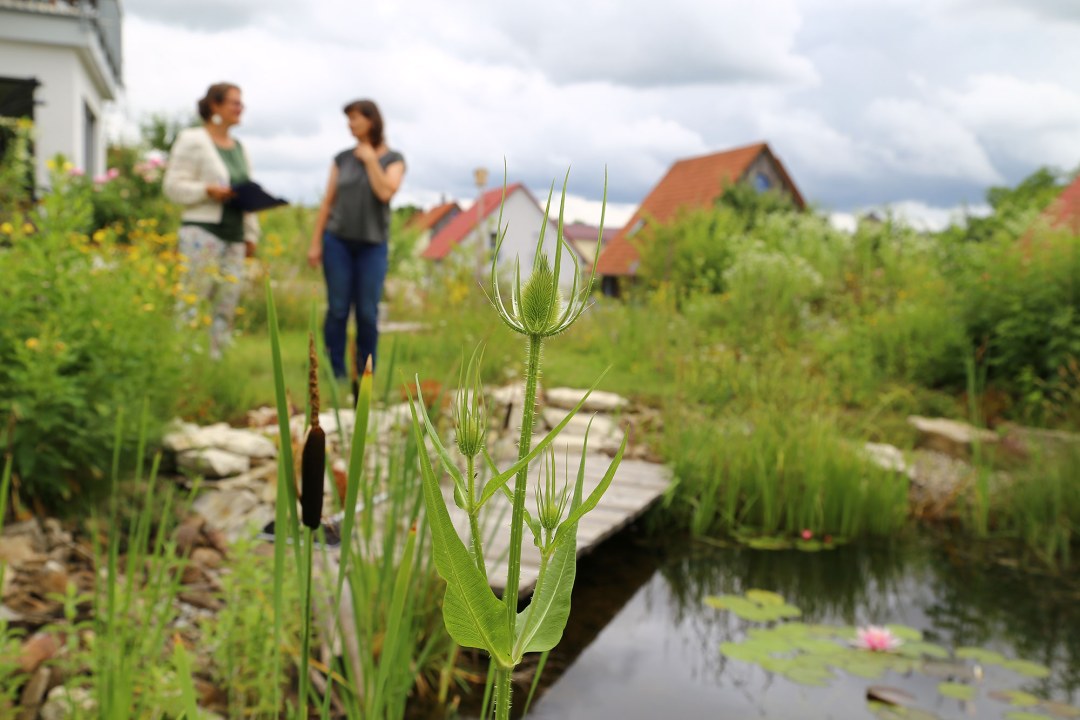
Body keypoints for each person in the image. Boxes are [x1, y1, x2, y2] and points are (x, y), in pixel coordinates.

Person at [308, 99, 405, 377]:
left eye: (355, 118)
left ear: (371, 121)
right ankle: (333, 370)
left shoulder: (393, 159)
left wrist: (372, 160)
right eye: (348, 119)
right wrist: (316, 242)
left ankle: (366, 371)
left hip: (372, 246)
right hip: (337, 241)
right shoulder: (342, 159)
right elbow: (328, 202)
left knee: (366, 312)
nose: (350, 124)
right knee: (338, 309)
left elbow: (386, 193)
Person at [163, 82, 259, 359]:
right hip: (202, 230)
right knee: (193, 297)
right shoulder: (193, 140)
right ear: (215, 106)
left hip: (235, 234)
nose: (240, 108)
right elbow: (172, 186)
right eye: (234, 102)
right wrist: (206, 190)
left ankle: (218, 359)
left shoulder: (240, 147)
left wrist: (251, 234)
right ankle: (186, 358)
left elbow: (246, 191)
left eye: (241, 103)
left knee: (227, 302)